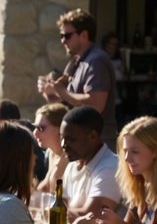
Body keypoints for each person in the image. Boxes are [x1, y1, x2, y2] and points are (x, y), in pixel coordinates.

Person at [41, 9, 117, 147]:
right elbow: (66, 103)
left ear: (84, 35)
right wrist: (50, 93)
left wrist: (62, 92)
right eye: (61, 35)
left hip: (98, 146)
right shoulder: (77, 61)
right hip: (82, 146)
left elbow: (96, 105)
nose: (63, 40)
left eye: (67, 35)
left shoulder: (96, 61)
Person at [103, 117, 157, 224]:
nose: (127, 158)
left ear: (155, 151)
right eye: (125, 152)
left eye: (135, 151)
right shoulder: (140, 188)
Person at [60, 105, 121, 219]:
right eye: (62, 138)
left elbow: (90, 218)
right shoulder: (71, 167)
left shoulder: (111, 167)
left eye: (71, 139)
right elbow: (62, 208)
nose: (63, 145)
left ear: (93, 136)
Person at [34, 103, 70, 193]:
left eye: (41, 128)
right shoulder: (51, 152)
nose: (35, 133)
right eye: (35, 127)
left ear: (60, 128)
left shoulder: (71, 157)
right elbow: (44, 187)